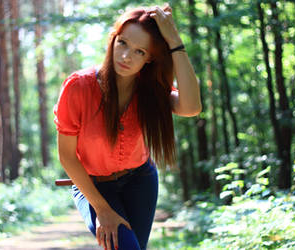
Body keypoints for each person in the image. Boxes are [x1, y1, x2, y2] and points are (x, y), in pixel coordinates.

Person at [53, 4, 201, 250]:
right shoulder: (78, 87)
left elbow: (191, 106)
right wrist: (102, 210)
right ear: (113, 39)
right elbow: (67, 156)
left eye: (139, 51)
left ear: (150, 57)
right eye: (122, 43)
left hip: (141, 181)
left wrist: (174, 39)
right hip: (93, 185)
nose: (126, 57)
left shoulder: (151, 89)